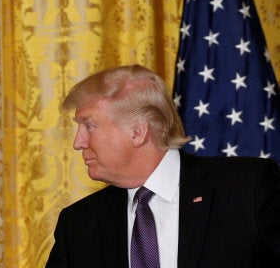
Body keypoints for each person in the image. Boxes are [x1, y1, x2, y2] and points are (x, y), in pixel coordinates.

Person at [45, 65, 280, 267]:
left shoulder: (249, 189)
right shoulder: (78, 225)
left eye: (90, 126)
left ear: (138, 131)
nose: (78, 142)